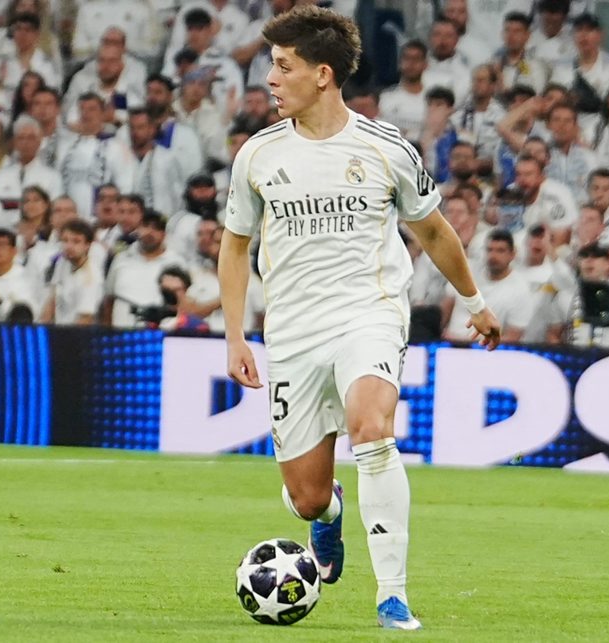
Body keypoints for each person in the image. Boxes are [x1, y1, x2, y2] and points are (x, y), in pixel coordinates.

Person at [217, 6, 500, 631]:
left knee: (372, 429)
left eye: (283, 66)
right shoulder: (257, 155)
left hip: (367, 315)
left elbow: (434, 230)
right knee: (306, 497)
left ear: (322, 74)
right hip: (293, 333)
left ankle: (391, 596)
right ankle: (330, 515)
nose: (270, 79)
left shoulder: (384, 147)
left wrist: (475, 303)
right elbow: (235, 247)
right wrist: (235, 335)